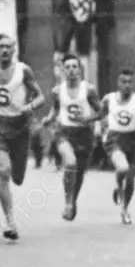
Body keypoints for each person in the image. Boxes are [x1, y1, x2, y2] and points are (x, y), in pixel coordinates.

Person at [0, 33, 45, 241]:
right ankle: (10, 222)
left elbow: (41, 96)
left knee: (18, 178)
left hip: (20, 128)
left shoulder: (23, 71)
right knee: (3, 171)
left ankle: (11, 207)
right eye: (1, 46)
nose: (4, 50)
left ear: (14, 50)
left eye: (8, 47)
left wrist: (30, 106)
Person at [89, 69, 135, 225]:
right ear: (118, 83)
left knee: (131, 179)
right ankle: (117, 184)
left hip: (134, 139)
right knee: (122, 168)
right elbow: (100, 114)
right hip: (115, 138)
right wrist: (86, 118)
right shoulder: (109, 99)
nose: (127, 85)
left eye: (130, 82)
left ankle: (125, 209)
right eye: (124, 82)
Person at [40, 54, 102, 221]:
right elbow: (55, 110)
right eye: (67, 67)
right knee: (70, 162)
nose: (71, 70)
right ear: (62, 70)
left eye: (75, 66)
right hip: (64, 133)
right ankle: (68, 202)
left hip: (84, 135)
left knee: (79, 174)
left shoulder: (88, 89)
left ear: (79, 70)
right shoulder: (57, 91)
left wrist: (88, 118)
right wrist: (49, 118)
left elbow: (101, 112)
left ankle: (73, 200)